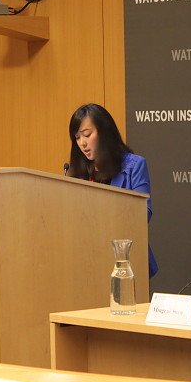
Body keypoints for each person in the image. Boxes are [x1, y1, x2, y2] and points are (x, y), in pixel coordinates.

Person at [68, 103, 158, 277]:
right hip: (86, 259)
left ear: (105, 132)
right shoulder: (76, 171)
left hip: (126, 260)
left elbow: (143, 214)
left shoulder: (134, 165)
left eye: (87, 135)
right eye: (77, 137)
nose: (82, 143)